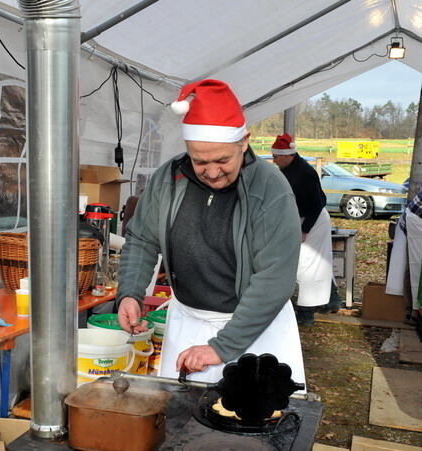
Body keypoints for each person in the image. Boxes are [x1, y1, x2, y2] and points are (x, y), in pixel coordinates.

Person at [117, 79, 305, 385]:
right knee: (180, 422)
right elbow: (141, 240)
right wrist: (131, 294)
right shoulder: (169, 177)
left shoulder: (270, 189)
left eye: (222, 160)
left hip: (252, 329)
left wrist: (222, 347)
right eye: (200, 161)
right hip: (187, 322)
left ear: (244, 142)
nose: (213, 172)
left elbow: (274, 278)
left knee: (249, 421)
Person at [271, 134, 338, 326]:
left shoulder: (304, 172)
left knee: (308, 264)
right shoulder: (288, 170)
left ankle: (306, 312)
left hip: (313, 219)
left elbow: (315, 204)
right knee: (320, 262)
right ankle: (332, 300)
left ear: (286, 155)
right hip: (303, 218)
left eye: (276, 156)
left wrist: (304, 229)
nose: (274, 160)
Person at [386, 186, 422, 321]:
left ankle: (414, 310)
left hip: (415, 218)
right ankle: (414, 311)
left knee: (415, 267)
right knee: (416, 267)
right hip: (416, 220)